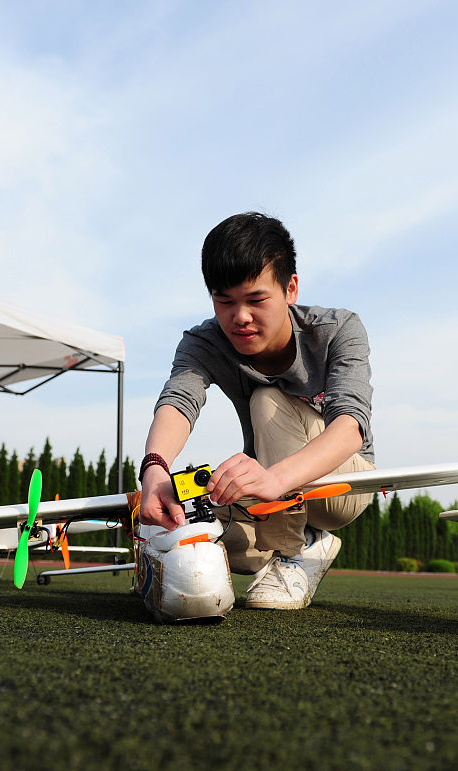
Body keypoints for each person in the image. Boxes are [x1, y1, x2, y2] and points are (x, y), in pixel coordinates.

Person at [140, 212, 375, 611]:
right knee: (194, 520)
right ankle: (297, 546)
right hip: (272, 484)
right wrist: (154, 468)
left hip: (342, 487)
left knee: (265, 399)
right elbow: (179, 400)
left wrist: (274, 479)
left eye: (256, 299)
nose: (240, 317)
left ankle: (290, 554)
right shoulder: (203, 342)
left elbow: (351, 426)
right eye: (224, 301)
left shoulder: (338, 329)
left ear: (291, 288)